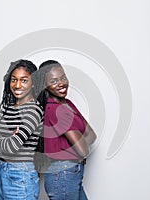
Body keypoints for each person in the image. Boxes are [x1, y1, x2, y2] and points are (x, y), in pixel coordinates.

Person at [0, 59, 43, 200]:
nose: (17, 85)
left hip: (21, 174)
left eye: (24, 80)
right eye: (14, 80)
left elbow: (12, 147)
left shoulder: (34, 110)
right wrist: (6, 139)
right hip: (1, 170)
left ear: (33, 83)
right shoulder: (6, 107)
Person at [37, 60, 97, 200]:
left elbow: (92, 135)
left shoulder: (67, 103)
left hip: (70, 173)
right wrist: (76, 150)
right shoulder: (56, 109)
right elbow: (82, 150)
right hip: (62, 176)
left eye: (63, 78)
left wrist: (67, 152)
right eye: (53, 81)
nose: (61, 83)